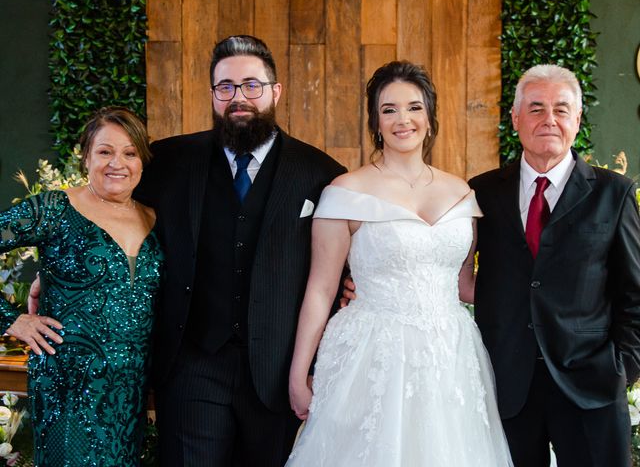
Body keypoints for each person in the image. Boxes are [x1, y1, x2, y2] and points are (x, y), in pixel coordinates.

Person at [286, 60, 513, 466]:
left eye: (413, 107)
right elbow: (320, 289)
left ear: (429, 117)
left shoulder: (462, 192)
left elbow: (464, 284)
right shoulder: (345, 192)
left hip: (450, 354)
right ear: (375, 121)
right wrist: (298, 374)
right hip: (372, 356)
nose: (402, 119)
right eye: (389, 109)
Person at [133, 35, 346, 466]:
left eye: (251, 85)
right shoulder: (168, 160)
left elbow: (344, 257)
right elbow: (113, 210)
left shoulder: (321, 174)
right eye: (225, 87)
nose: (239, 98)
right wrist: (58, 269)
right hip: (192, 364)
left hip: (276, 369)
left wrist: (356, 285)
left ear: (275, 91)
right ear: (213, 94)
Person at [468, 64, 640, 467]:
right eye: (536, 108)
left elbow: (635, 293)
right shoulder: (481, 192)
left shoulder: (613, 195)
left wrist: (621, 369)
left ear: (577, 120)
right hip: (508, 387)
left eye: (561, 109)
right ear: (515, 119)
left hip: (592, 387)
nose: (549, 119)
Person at [0, 106, 163, 465]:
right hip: (68, 388)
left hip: (130, 393)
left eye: (129, 152)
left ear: (141, 160)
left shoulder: (154, 217)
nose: (116, 163)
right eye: (104, 151)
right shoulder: (55, 209)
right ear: (85, 156)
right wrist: (12, 319)